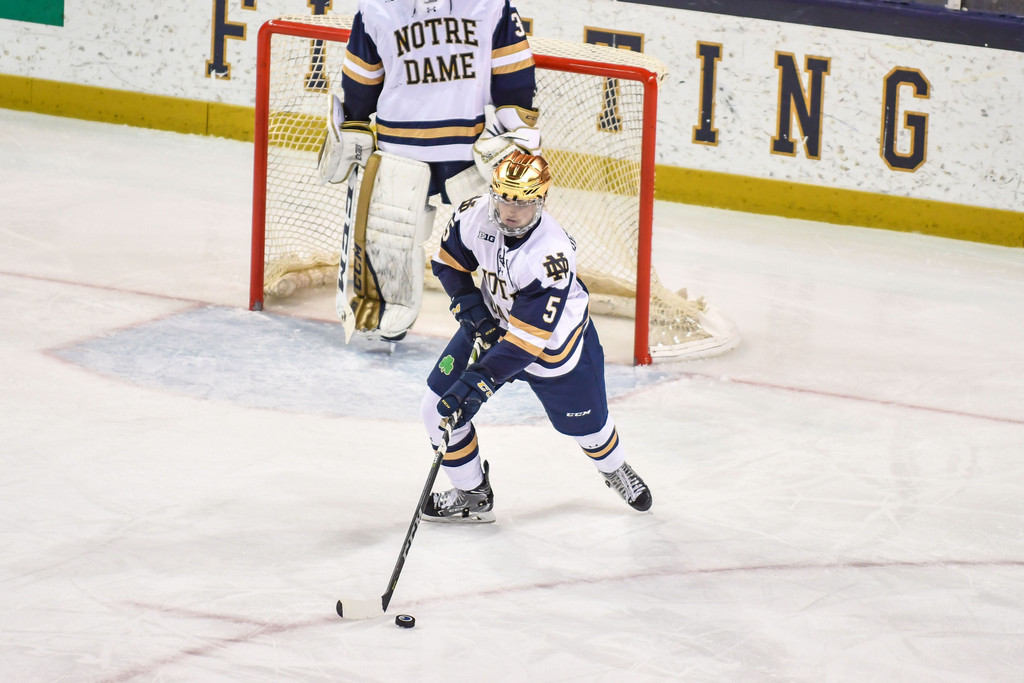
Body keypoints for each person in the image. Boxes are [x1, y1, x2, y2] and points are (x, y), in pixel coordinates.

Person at [418, 151, 653, 523]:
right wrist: (472, 310)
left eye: (523, 203)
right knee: (436, 408)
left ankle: (614, 468)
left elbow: (527, 343)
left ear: (541, 201)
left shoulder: (550, 254)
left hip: (554, 347)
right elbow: (448, 263)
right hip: (494, 325)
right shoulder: (473, 214)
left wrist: (476, 384)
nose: (510, 212)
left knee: (589, 429)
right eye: (504, 199)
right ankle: (472, 492)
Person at [317, 0, 543, 342]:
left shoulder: (490, 4)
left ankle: (515, 315)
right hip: (403, 147)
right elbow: (362, 78)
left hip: (470, 150)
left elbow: (514, 74)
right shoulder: (376, 8)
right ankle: (390, 311)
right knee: (391, 236)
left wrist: (515, 132)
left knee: (498, 233)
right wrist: (354, 123)